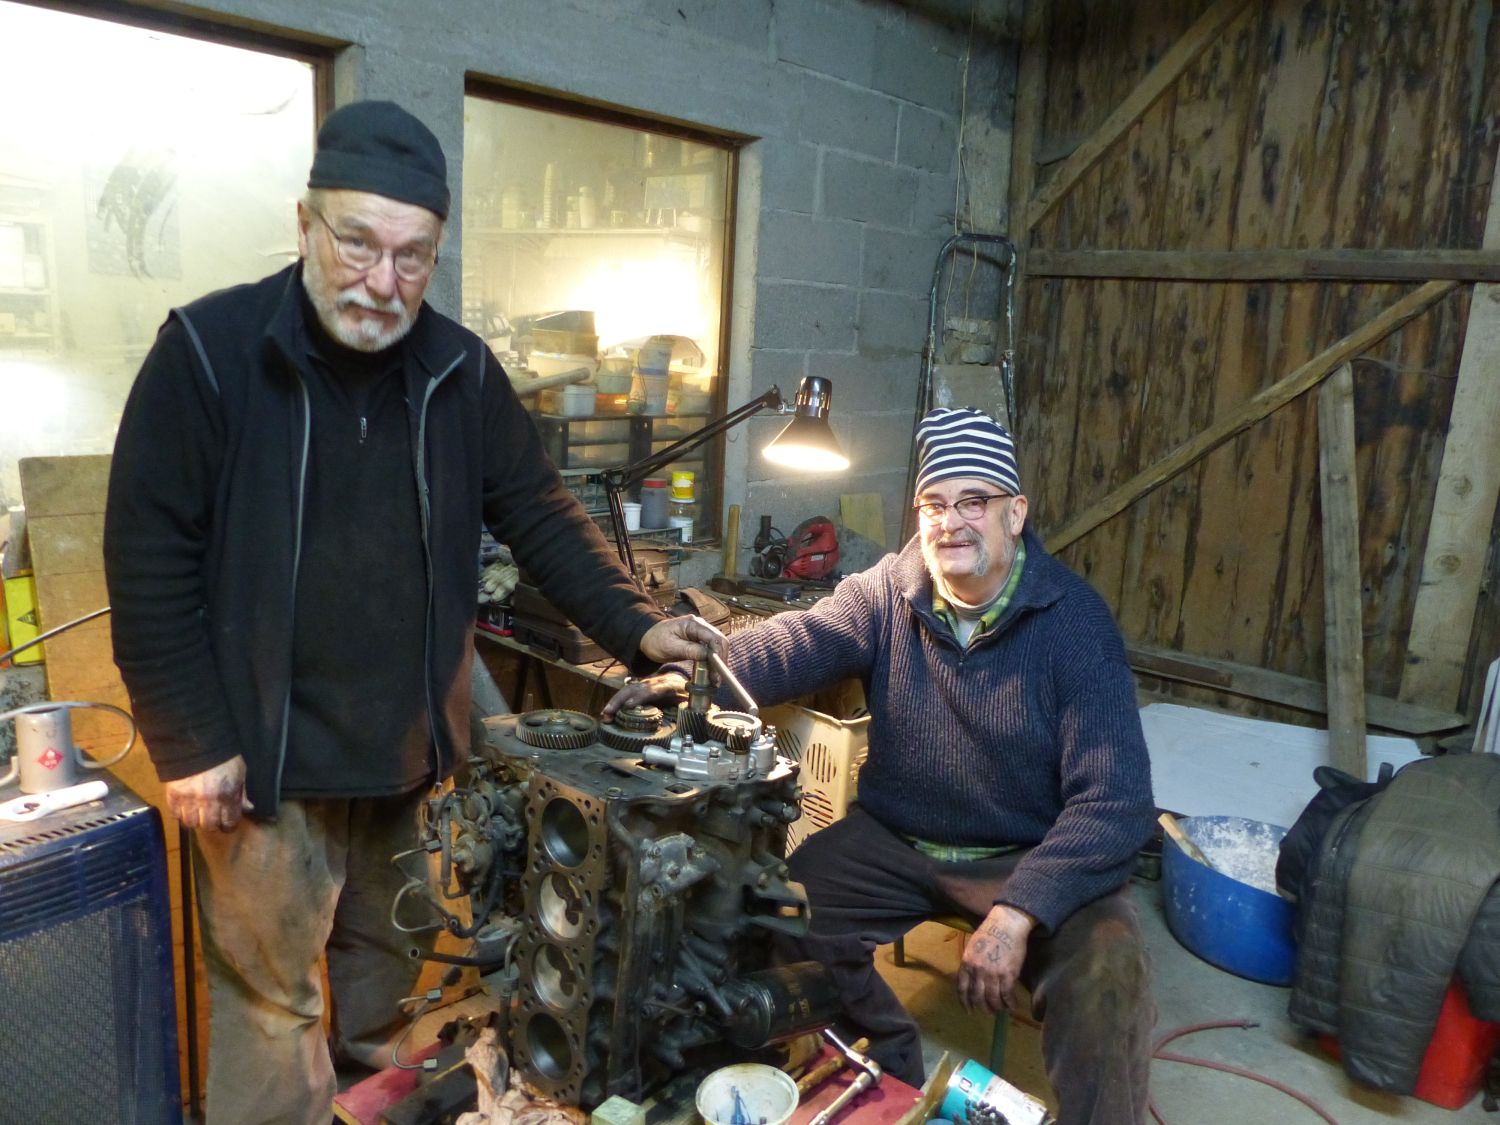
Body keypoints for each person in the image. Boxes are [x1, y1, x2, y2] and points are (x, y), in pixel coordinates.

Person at [102, 100, 722, 1125]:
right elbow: (148, 558)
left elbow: (539, 509)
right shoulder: (208, 354)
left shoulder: (458, 371)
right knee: (273, 1012)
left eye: (412, 257)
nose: (382, 282)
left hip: (404, 755)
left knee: (389, 1004)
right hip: (265, 763)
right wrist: (191, 740)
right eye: (357, 243)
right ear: (306, 224)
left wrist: (636, 624)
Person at [605, 407, 1156, 1125]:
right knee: (779, 907)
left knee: (1111, 972)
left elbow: (1115, 803)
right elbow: (797, 641)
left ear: (1015, 513)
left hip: (1027, 851)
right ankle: (891, 1078)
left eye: (974, 502)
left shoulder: (1074, 623)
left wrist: (1019, 910)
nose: (950, 523)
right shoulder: (888, 591)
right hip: (899, 839)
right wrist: (692, 676)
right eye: (933, 504)